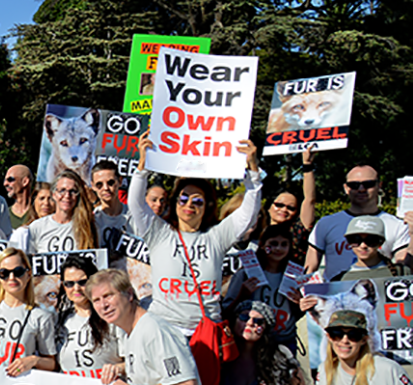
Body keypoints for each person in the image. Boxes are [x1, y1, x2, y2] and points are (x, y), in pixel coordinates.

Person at [128, 133, 262, 336]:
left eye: (197, 201)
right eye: (184, 198)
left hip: (205, 333)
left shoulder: (217, 237)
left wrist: (252, 172)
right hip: (164, 331)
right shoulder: (159, 233)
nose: (189, 204)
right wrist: (143, 167)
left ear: (206, 207)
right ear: (175, 203)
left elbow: (247, 215)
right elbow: (136, 204)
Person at [90, 269, 203, 385]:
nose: (103, 305)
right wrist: (121, 368)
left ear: (130, 294)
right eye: (96, 300)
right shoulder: (131, 332)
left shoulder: (154, 329)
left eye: (108, 295)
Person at [306, 164, 410, 279]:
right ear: (346, 188)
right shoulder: (326, 223)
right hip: (335, 293)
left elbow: (405, 271)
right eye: (354, 185)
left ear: (379, 185)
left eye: (368, 184)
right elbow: (310, 269)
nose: (361, 189)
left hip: (381, 293)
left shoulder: (397, 225)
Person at [224, 224, 301, 349]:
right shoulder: (245, 274)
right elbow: (226, 312)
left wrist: (299, 303)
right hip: (251, 340)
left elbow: (298, 313)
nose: (278, 248)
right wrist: (242, 296)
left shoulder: (294, 276)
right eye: (273, 243)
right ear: (262, 245)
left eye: (284, 244)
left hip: (284, 340)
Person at [318, 309, 413, 385]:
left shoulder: (389, 369)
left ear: (364, 339)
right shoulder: (324, 370)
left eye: (353, 335)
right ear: (329, 337)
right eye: (337, 334)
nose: (345, 340)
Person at [53, 254, 119, 379]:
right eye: (69, 283)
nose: (76, 288)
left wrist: (117, 369)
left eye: (83, 282)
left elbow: (134, 362)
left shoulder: (112, 318)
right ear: (63, 286)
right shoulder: (57, 321)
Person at [12, 169, 97, 255]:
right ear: (54, 194)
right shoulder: (37, 227)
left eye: (72, 191)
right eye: (62, 190)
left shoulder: (87, 226)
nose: (67, 196)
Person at [328, 216, 412, 280]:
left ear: (381, 242)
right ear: (348, 242)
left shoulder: (402, 272)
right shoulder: (339, 280)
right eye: (355, 240)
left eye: (371, 240)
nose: (363, 245)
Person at [90, 159, 129, 257]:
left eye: (111, 182)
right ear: (93, 186)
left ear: (120, 181)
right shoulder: (92, 220)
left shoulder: (133, 216)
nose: (105, 188)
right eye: (99, 185)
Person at [4, 164, 35, 229]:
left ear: (25, 181)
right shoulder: (4, 215)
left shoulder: (39, 213)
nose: (5, 184)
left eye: (10, 179)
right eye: (5, 180)